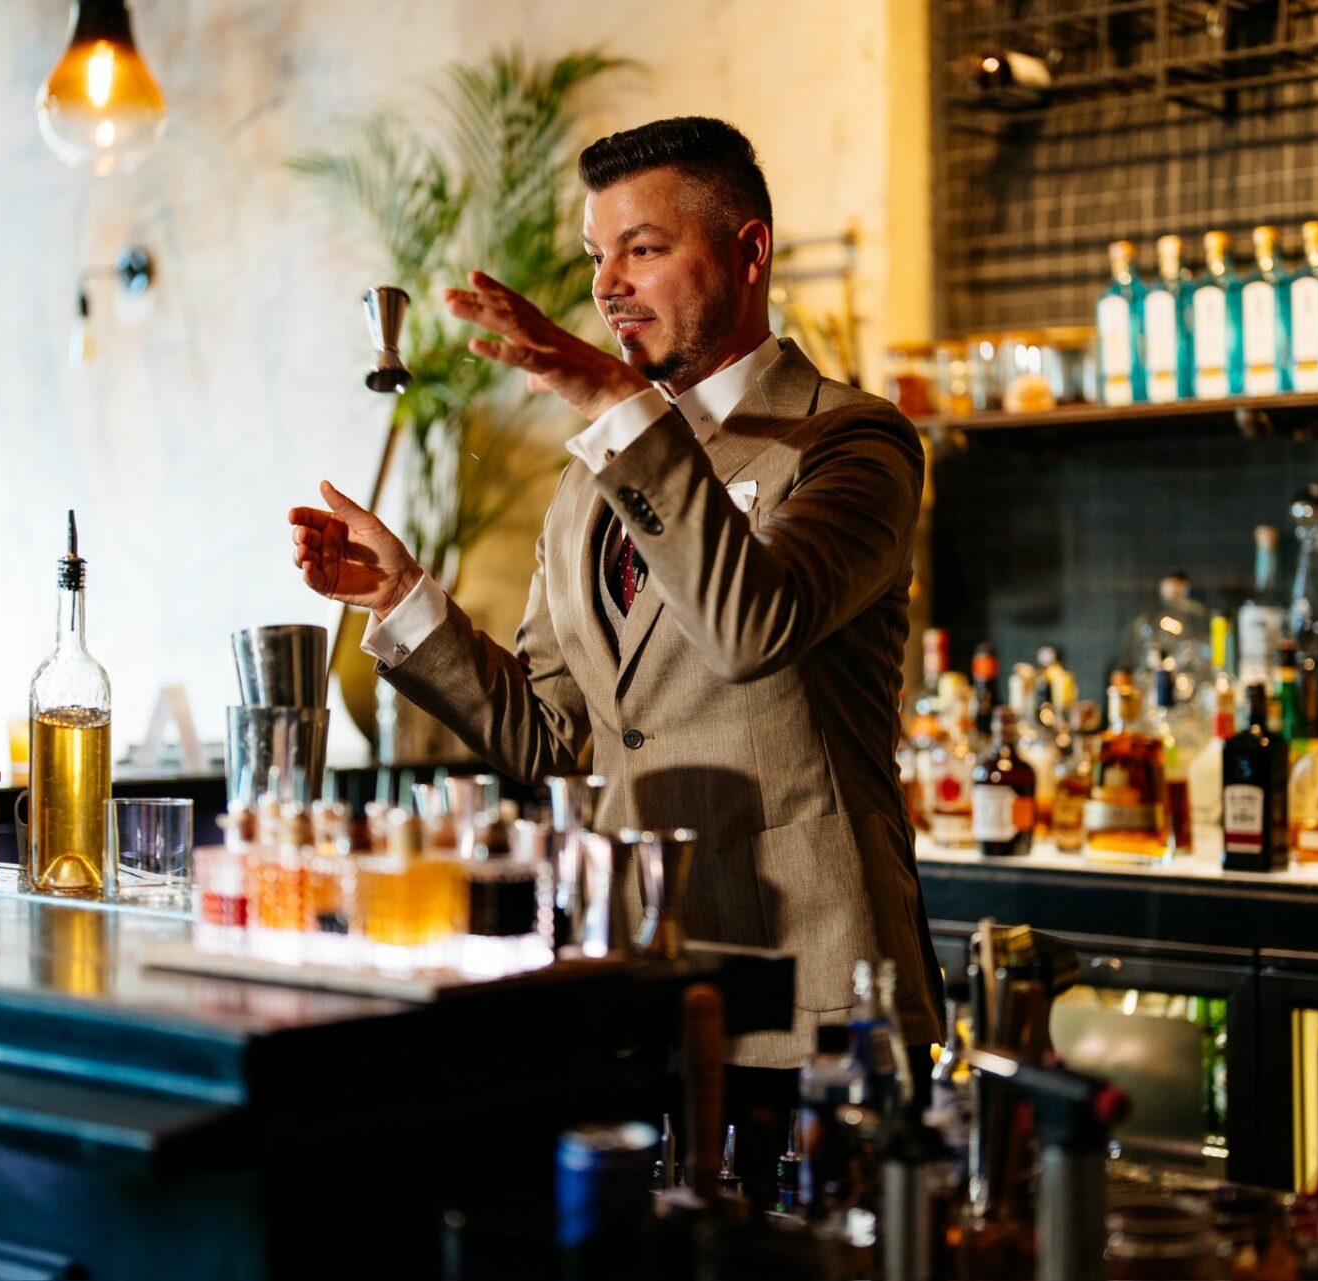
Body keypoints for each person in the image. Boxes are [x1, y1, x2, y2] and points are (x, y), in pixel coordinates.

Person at [290, 116, 942, 1107]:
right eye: (599, 256)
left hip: (816, 1002)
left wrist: (616, 406)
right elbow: (554, 737)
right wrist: (403, 598)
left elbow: (750, 628)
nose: (608, 287)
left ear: (749, 252)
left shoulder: (852, 442)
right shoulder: (590, 485)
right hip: (634, 991)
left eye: (643, 249)